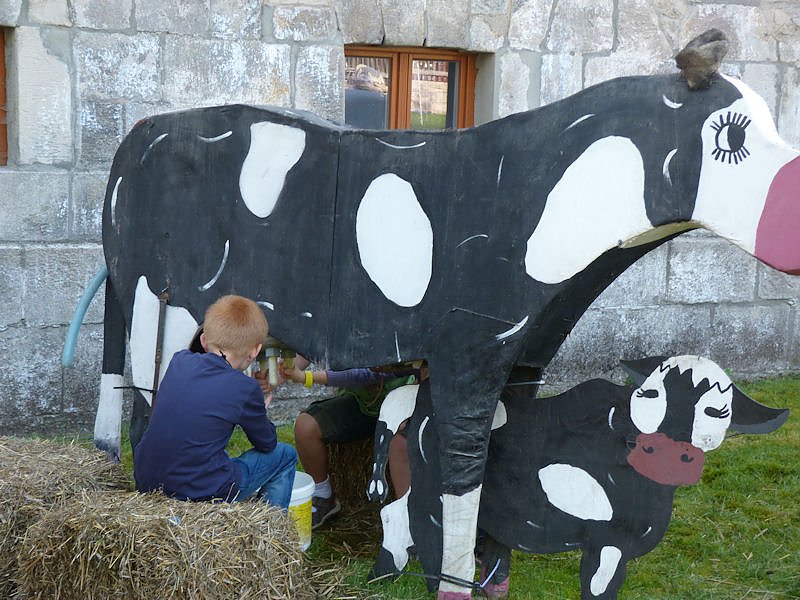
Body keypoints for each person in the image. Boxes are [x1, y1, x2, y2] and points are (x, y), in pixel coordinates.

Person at [134, 295, 298, 509]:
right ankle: (271, 530)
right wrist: (260, 410)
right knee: (286, 455)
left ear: (203, 340)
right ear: (255, 352)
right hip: (200, 491)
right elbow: (266, 443)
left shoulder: (179, 361)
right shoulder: (245, 389)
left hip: (147, 481)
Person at [283, 357, 418, 528]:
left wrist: (306, 377)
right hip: (363, 405)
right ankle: (323, 496)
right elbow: (313, 347)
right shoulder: (342, 329)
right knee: (306, 426)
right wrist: (284, 369)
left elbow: (367, 374)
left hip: (402, 402)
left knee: (401, 442)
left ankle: (408, 519)